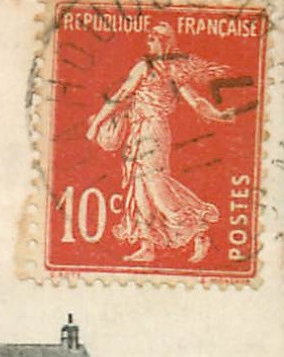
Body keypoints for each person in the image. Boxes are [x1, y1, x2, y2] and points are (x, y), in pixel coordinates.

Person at [85, 23, 238, 264]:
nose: (150, 42)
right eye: (150, 38)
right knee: (139, 187)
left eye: (156, 38)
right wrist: (97, 123)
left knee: (156, 185)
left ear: (166, 43)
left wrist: (218, 115)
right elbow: (121, 95)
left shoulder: (171, 71)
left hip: (154, 129)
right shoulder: (143, 67)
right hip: (138, 129)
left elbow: (195, 101)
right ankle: (147, 245)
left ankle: (198, 230)